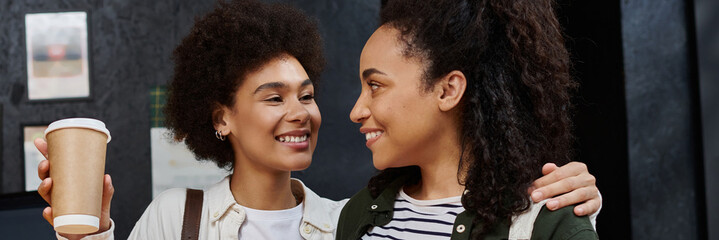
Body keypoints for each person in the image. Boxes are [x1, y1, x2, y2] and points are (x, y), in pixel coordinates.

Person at [34, 0, 601, 239]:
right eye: (273, 97)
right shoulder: (174, 217)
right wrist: (90, 231)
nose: (302, 113)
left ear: (450, 89)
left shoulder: (341, 223)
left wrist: (573, 203)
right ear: (221, 118)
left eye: (306, 94)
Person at [337, 0, 598, 239]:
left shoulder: (547, 222)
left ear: (448, 90)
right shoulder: (358, 214)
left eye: (375, 85)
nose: (356, 111)